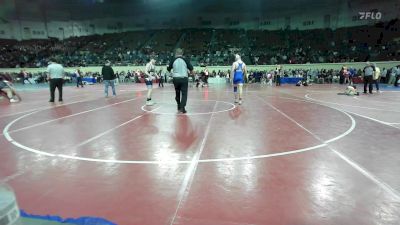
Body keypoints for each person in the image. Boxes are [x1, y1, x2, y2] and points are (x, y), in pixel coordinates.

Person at [167, 48, 194, 114]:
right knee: (184, 94)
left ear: (176, 53)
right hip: (184, 78)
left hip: (176, 78)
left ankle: (179, 106)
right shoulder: (185, 60)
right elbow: (191, 69)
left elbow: (168, 69)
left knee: (177, 93)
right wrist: (190, 73)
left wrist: (169, 68)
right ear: (182, 53)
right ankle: (182, 107)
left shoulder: (173, 60)